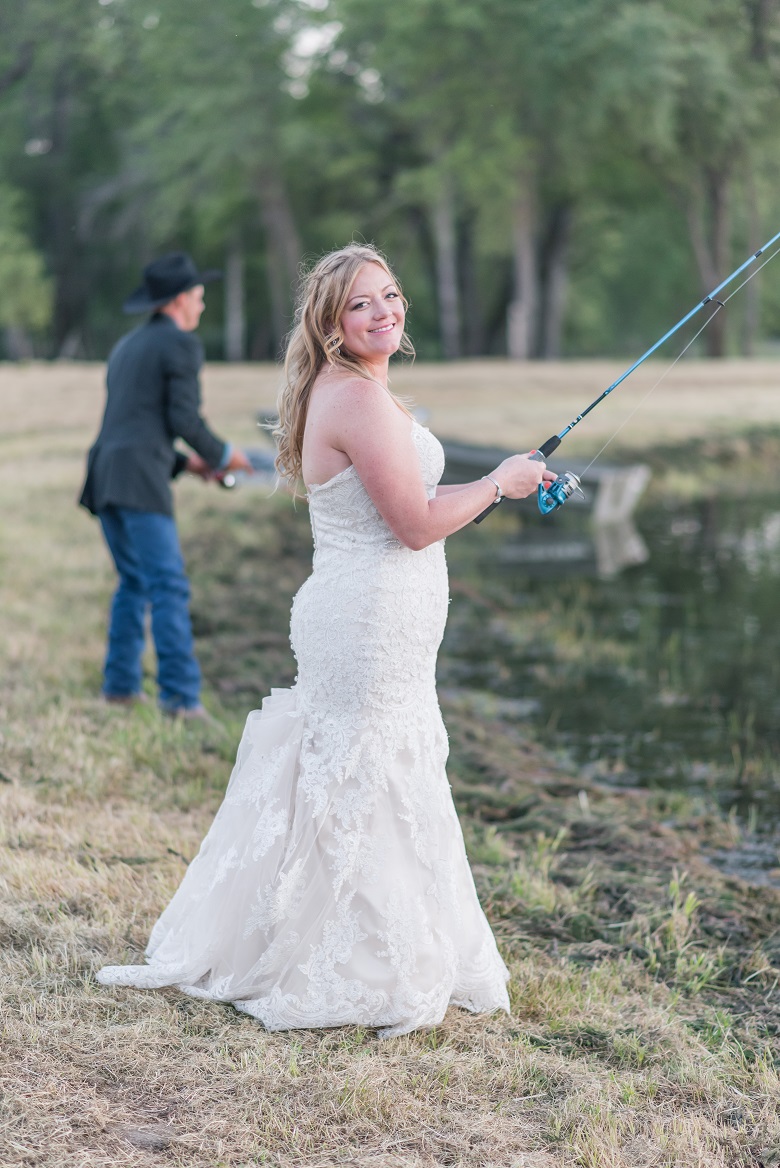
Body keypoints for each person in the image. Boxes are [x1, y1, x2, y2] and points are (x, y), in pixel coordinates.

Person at [96, 243, 556, 1036]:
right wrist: (497, 486)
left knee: (378, 768)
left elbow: (406, 496)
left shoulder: (358, 392)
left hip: (382, 618)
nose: (384, 311)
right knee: (364, 769)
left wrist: (496, 482)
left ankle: (356, 938)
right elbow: (413, 527)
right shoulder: (354, 398)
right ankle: (345, 958)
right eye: (360, 304)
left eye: (390, 295)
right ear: (331, 324)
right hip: (366, 620)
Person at [79, 252, 252, 717]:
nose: (200, 305)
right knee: (169, 586)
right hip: (136, 481)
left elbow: (133, 425)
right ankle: (179, 698)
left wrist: (186, 465)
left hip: (105, 476)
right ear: (178, 301)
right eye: (197, 297)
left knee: (133, 581)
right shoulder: (179, 345)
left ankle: (119, 688)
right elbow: (183, 418)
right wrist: (222, 454)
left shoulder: (126, 347)